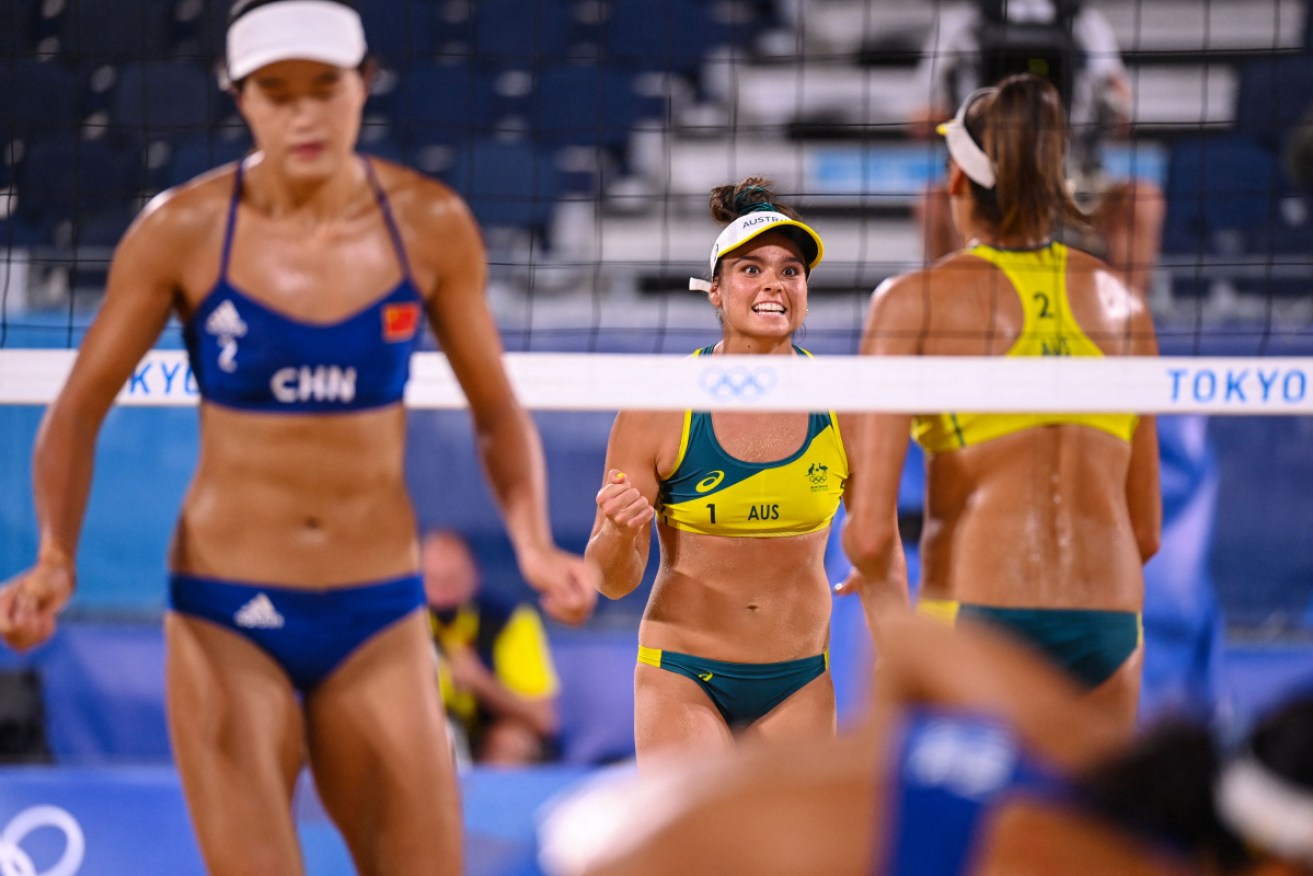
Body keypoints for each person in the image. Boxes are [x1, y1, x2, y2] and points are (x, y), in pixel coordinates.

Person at [0, 1, 596, 873]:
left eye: (325, 87)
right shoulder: (184, 230)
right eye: (275, 93)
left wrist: (534, 546)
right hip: (227, 615)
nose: (304, 113)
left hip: (378, 611)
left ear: (366, 84)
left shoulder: (427, 225)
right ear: (239, 98)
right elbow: (77, 409)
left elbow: (497, 413)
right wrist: (56, 555)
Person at [841, 74, 1161, 736]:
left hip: (975, 606)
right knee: (1086, 834)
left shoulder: (912, 302)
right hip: (1105, 617)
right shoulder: (1123, 304)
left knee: (940, 833)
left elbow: (870, 534)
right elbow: (1147, 531)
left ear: (956, 178)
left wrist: (890, 627)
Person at [538, 607, 1313, 876]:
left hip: (600, 825)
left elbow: (913, 642)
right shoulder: (1080, 855)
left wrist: (882, 778)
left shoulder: (1092, 751)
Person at [586, 177, 896, 763]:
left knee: (793, 859)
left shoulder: (847, 404)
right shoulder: (661, 404)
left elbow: (882, 550)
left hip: (798, 679)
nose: (774, 283)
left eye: (790, 270)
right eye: (751, 269)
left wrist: (896, 653)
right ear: (715, 290)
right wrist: (619, 532)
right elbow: (611, 580)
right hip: (682, 675)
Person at [909, 0, 1165, 301]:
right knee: (934, 201)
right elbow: (919, 119)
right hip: (986, 175)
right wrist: (972, 119)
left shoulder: (1085, 23)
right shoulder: (961, 25)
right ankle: (959, 311)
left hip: (1072, 175)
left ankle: (1123, 318)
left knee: (1142, 199)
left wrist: (1103, 109)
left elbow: (1121, 116)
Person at [421, 528, 561, 765]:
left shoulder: (509, 622)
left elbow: (544, 719)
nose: (442, 594)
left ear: (475, 576)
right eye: (432, 580)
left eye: (451, 580)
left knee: (511, 741)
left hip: (489, 736)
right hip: (429, 736)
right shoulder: (404, 625)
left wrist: (480, 682)